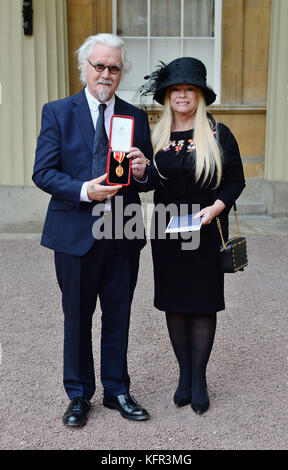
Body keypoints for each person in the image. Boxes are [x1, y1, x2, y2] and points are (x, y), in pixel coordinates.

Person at [32, 33, 159, 426]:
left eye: (114, 67)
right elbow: (43, 172)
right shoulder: (57, 112)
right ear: (84, 67)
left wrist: (142, 171)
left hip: (122, 231)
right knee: (77, 316)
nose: (106, 73)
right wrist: (85, 190)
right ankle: (78, 395)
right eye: (99, 65)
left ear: (122, 73)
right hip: (74, 232)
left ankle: (117, 389)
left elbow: (148, 177)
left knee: (118, 314)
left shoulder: (135, 116)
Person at [141, 57, 246, 414]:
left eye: (189, 89)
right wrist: (140, 171)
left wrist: (216, 207)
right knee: (174, 302)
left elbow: (236, 180)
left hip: (205, 232)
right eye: (176, 90)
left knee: (202, 303)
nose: (182, 95)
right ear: (168, 96)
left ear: (199, 95)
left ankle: (199, 378)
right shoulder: (155, 136)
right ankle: (184, 375)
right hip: (168, 233)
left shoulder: (218, 134)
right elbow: (150, 183)